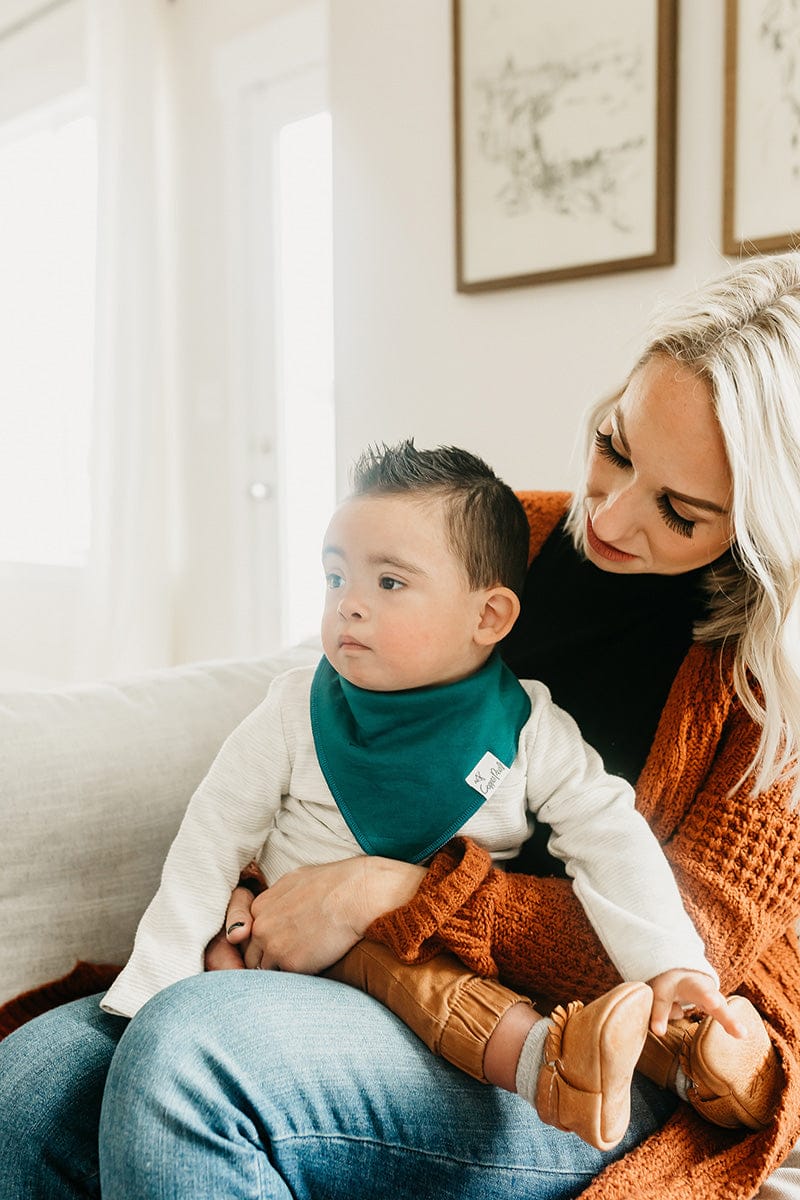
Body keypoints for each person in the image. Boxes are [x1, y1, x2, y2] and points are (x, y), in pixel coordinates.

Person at [2, 252, 800, 1199]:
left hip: (584, 1053)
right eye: (614, 448)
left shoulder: (772, 686)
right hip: (358, 980)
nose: (613, 517)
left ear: (766, 521)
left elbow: (692, 953)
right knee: (30, 1090)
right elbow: (333, 723)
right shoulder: (504, 535)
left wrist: (383, 892)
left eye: (679, 510)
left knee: (190, 1056)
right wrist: (265, 887)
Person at [101, 440, 741, 1152]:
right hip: (284, 950)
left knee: (422, 973)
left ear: (489, 617)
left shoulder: (525, 729)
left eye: (389, 583)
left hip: (437, 962)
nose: (349, 606)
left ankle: (641, 1060)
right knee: (39, 1085)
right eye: (335, 577)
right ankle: (554, 1063)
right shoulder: (294, 709)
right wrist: (159, 985)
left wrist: (670, 961)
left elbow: (608, 832)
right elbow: (212, 838)